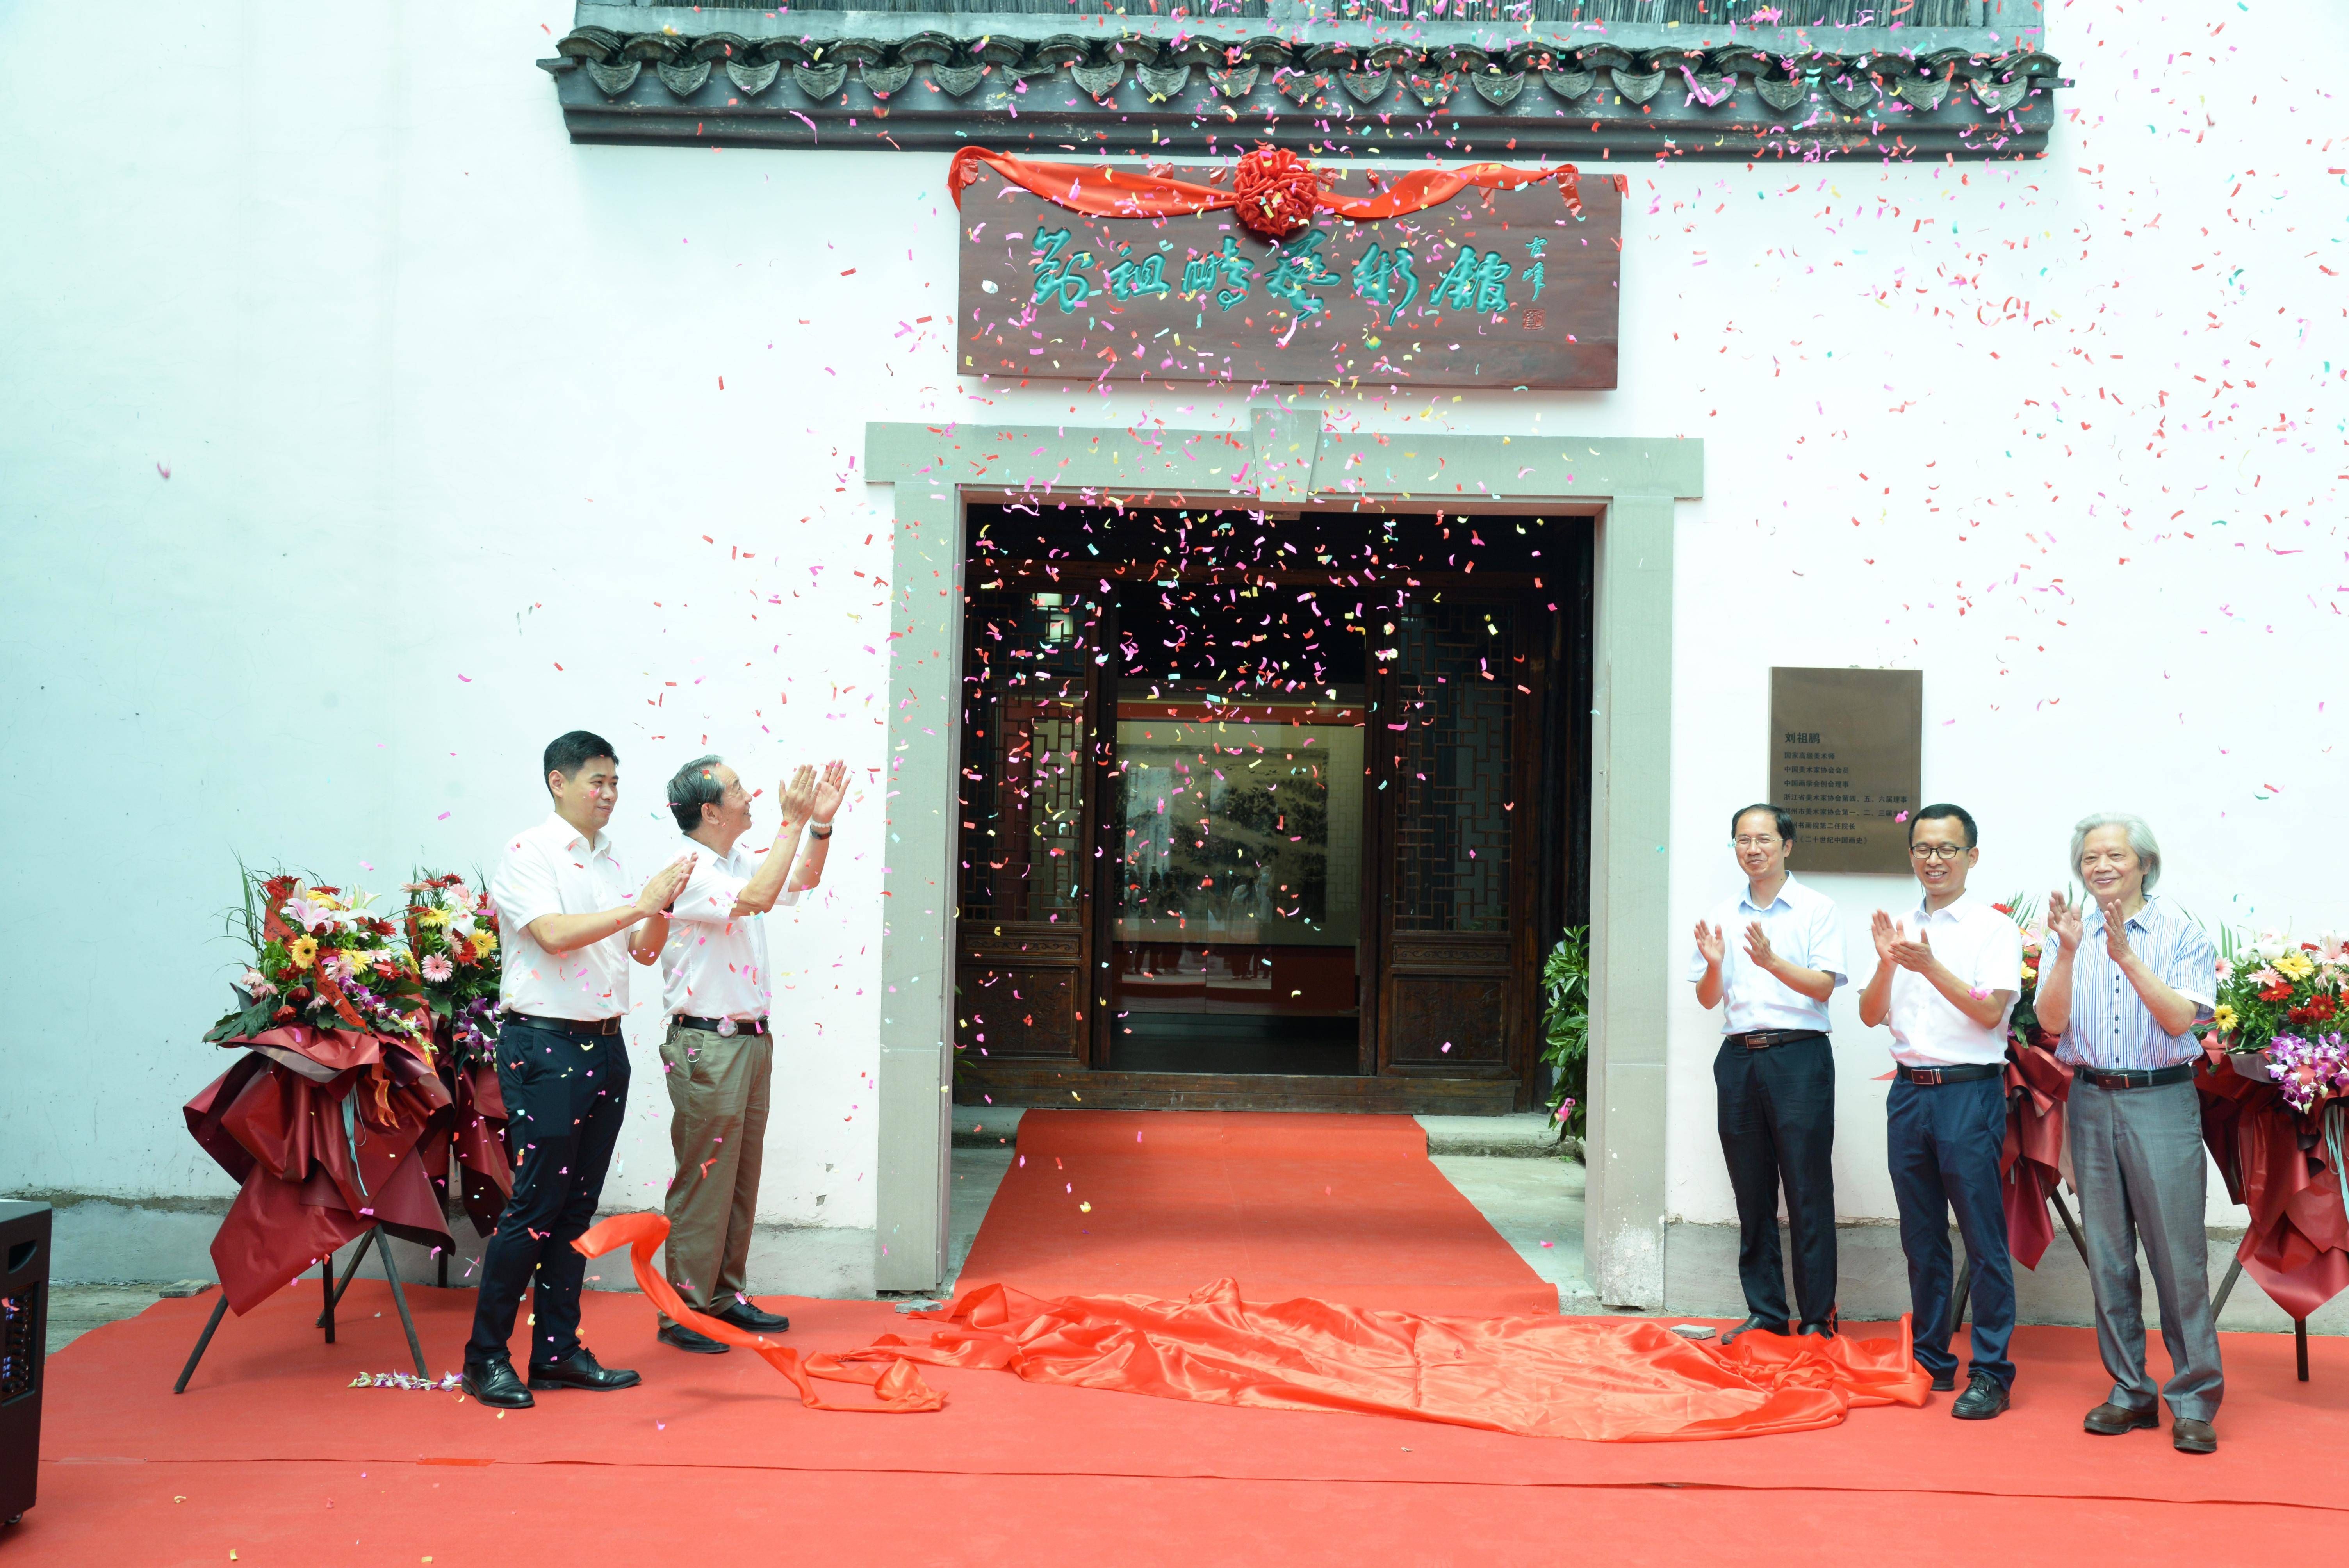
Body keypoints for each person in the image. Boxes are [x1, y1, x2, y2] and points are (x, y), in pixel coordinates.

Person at [459, 731, 697, 1412]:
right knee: (536, 1203)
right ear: (558, 783)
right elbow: (556, 936)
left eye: (615, 783)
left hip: (605, 1044)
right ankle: (486, 1358)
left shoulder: (612, 860)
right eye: (596, 781)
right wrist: (642, 901)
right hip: (544, 1045)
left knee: (578, 1206)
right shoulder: (527, 854)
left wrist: (662, 909)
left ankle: (557, 1352)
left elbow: (642, 952)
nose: (609, 794)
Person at [2035, 813, 2222, 1454]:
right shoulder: (2070, 932)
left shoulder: (2180, 934)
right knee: (2109, 1258)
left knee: (2178, 1258)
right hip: (2091, 1099)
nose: (2101, 867)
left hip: (2160, 1099)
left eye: (2115, 855)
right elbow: (2051, 1024)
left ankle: (2194, 1397)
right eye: (2090, 858)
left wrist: (2126, 959)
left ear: (2145, 862)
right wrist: (2066, 952)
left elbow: (2179, 1022)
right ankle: (2129, 1392)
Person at [650, 754, 848, 1354]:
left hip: (747, 1040)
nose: (750, 794)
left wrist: (817, 826)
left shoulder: (733, 860)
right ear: (709, 811)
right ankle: (683, 1311)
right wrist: (791, 822)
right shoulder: (691, 870)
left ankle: (723, 1296)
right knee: (703, 1181)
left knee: (738, 1177)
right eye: (737, 789)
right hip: (707, 1045)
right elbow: (761, 898)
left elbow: (799, 882)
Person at [1858, 803, 2022, 1420]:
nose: (1934, 860)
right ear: (1912, 856)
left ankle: (1992, 1371)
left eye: (1947, 849)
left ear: (1971, 857)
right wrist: (1886, 962)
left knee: (1982, 1237)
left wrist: (1929, 966)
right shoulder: (1897, 925)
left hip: (1967, 1094)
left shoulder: (1992, 930)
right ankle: (1931, 1359)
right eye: (1923, 848)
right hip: (1910, 1093)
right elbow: (1871, 1015)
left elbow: (1988, 1012)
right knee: (1921, 1236)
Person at [1690, 804, 1847, 1342]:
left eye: (1763, 839)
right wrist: (1715, 964)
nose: (1752, 849)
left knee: (1807, 1188)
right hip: (1738, 1058)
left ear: (1788, 845)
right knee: (1751, 1191)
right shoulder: (1721, 915)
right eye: (1742, 840)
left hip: (1798, 1056)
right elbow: (1709, 999)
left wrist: (1772, 961)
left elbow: (1825, 986)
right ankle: (1766, 1312)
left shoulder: (1816, 909)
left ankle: (1816, 1317)